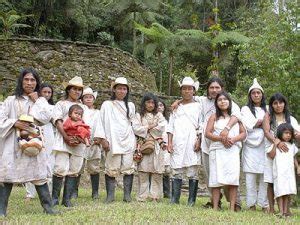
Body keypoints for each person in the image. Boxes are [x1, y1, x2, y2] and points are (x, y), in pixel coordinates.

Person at [172, 77, 242, 210]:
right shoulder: (202, 101)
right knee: (210, 174)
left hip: (227, 145)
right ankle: (215, 201)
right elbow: (189, 97)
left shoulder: (230, 103)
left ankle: (235, 203)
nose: (214, 90)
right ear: (208, 90)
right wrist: (178, 101)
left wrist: (226, 130)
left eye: (217, 87)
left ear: (222, 89)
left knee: (229, 173)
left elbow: (237, 117)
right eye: (212, 88)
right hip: (207, 144)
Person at [0, 68, 58, 216]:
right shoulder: (10, 101)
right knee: (7, 175)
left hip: (34, 144)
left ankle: (49, 208)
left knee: (39, 174)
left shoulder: (40, 101)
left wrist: (37, 100)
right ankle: (1, 211)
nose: (29, 83)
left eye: (33, 80)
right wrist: (14, 123)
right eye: (26, 79)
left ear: (37, 83)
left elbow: (46, 117)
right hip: (13, 143)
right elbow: (1, 120)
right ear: (21, 81)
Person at [96, 77, 136, 203]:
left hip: (128, 139)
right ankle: (110, 196)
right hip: (112, 140)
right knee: (111, 168)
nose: (122, 91)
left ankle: (127, 196)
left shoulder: (130, 105)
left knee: (128, 167)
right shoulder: (107, 105)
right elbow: (100, 123)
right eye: (119, 88)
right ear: (114, 90)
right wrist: (103, 140)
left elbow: (133, 124)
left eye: (124, 89)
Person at [205, 92, 246, 211]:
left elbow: (243, 133)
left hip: (232, 150)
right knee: (216, 179)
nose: (222, 102)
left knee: (232, 179)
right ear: (216, 103)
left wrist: (232, 139)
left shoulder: (236, 116)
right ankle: (215, 207)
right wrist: (221, 139)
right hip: (217, 150)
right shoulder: (214, 116)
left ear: (229, 102)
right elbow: (207, 133)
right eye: (219, 100)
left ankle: (232, 207)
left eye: (225, 99)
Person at [51, 76, 88, 207]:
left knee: (74, 170)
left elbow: (86, 125)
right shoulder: (61, 104)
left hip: (78, 143)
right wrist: (66, 137)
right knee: (60, 168)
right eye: (74, 89)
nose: (77, 92)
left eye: (79, 90)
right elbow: (58, 120)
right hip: (63, 140)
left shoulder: (84, 107)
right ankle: (54, 199)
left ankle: (66, 199)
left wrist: (80, 139)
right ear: (68, 90)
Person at [167, 77, 202, 206]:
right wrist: (169, 143)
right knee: (176, 170)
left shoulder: (199, 106)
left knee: (192, 171)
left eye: (190, 89)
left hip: (192, 140)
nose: (187, 91)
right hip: (177, 140)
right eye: (184, 89)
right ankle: (174, 199)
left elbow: (201, 125)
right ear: (181, 90)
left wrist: (199, 140)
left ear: (194, 91)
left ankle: (191, 201)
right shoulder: (176, 107)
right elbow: (170, 126)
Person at [263, 93, 300, 214]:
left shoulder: (291, 119)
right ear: (272, 105)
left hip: (287, 154)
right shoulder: (268, 117)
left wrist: (297, 136)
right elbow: (267, 132)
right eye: (275, 103)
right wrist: (277, 142)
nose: (278, 105)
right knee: (270, 180)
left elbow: (296, 134)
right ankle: (272, 208)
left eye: (281, 102)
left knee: (286, 181)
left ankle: (286, 209)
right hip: (272, 150)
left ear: (285, 104)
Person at [24, 83, 56, 201]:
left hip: (48, 134)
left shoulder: (52, 107)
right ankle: (29, 193)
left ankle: (49, 191)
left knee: (49, 161)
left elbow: (50, 118)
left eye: (49, 92)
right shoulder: (31, 105)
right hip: (34, 132)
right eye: (45, 92)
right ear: (39, 92)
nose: (47, 94)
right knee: (32, 160)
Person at [132, 93, 166, 201]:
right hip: (144, 145)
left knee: (156, 171)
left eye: (152, 102)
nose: (150, 105)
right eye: (148, 102)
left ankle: (155, 196)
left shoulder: (159, 115)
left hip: (156, 145)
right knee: (143, 171)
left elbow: (162, 127)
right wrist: (150, 126)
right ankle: (142, 196)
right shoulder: (139, 115)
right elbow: (136, 128)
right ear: (144, 103)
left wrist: (146, 129)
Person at [241, 78, 268, 211]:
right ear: (250, 96)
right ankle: (251, 204)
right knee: (250, 177)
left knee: (264, 176)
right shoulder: (245, 109)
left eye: (258, 93)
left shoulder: (267, 109)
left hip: (264, 144)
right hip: (250, 146)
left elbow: (269, 125)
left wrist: (261, 123)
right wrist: (261, 123)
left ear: (262, 95)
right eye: (253, 93)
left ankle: (264, 204)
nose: (256, 95)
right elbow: (247, 124)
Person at [267, 123, 299, 217]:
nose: (288, 135)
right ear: (280, 133)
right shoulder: (276, 145)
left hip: (289, 174)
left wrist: (298, 168)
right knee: (280, 192)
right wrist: (275, 145)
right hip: (279, 173)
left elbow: (293, 157)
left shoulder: (292, 146)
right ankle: (280, 211)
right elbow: (271, 156)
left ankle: (285, 211)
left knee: (287, 192)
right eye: (286, 133)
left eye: (290, 133)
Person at [80, 87, 102, 200]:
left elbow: (101, 126)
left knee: (94, 167)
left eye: (90, 97)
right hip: (81, 142)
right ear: (82, 99)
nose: (88, 99)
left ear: (94, 99)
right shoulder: (80, 110)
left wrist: (99, 139)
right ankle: (74, 191)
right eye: (86, 97)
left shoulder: (98, 113)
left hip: (95, 142)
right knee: (78, 166)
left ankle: (95, 192)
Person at [158, 99, 171, 198]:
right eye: (157, 105)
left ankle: (167, 192)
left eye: (161, 105)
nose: (159, 107)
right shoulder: (153, 119)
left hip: (166, 146)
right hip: (155, 145)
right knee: (156, 169)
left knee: (166, 171)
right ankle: (156, 191)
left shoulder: (168, 121)